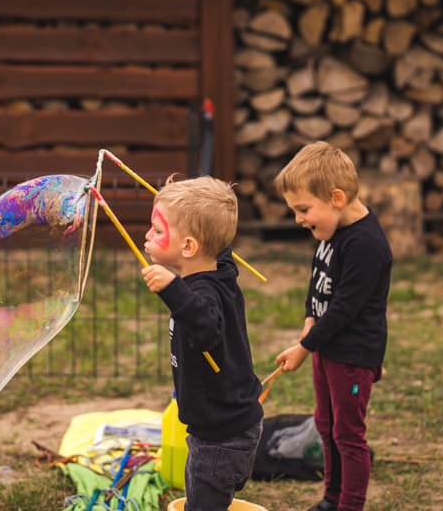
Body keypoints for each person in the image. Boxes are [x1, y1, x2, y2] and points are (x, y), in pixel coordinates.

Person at [273, 142, 392, 511]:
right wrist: (310, 318)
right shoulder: (330, 233)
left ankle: (349, 505)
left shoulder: (366, 245)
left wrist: (305, 345)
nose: (298, 220)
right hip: (327, 349)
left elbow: (343, 310)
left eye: (304, 209)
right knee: (325, 425)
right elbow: (319, 281)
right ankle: (331, 498)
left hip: (352, 355)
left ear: (336, 198)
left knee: (348, 435)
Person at [140, 175, 264, 511]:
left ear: (190, 247)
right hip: (221, 427)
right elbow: (219, 245)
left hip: (221, 438)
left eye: (158, 230)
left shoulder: (203, 292)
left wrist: (171, 288)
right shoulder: (220, 269)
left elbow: (206, 326)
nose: (147, 236)